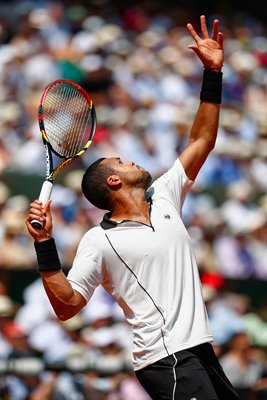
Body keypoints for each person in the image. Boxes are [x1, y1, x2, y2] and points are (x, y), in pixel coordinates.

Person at [26, 15, 239, 400]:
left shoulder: (165, 194)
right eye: (123, 162)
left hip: (199, 352)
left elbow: (203, 138)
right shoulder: (99, 240)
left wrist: (213, 74)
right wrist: (45, 245)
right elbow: (68, 306)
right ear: (113, 182)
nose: (134, 161)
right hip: (165, 358)